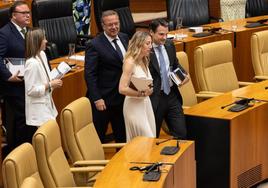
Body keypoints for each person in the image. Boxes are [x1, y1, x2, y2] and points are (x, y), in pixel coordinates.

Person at [85, 10, 128, 143]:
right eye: (110, 25)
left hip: (122, 97)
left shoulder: (125, 37)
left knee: (122, 135)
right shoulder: (94, 45)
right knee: (99, 137)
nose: (114, 27)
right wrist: (97, 98)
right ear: (103, 26)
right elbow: (89, 74)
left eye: (116, 23)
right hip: (104, 100)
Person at [149, 19, 189, 139]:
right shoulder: (145, 50)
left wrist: (184, 75)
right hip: (155, 98)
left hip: (172, 95)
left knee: (181, 134)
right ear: (151, 32)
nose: (164, 37)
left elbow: (175, 65)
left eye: (166, 34)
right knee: (153, 138)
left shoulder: (169, 45)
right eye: (161, 34)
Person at [0, 1, 30, 152]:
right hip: (14, 85)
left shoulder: (27, 30)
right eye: (24, 13)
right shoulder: (4, 33)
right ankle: (19, 154)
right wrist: (7, 76)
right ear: (13, 15)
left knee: (28, 119)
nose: (28, 16)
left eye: (28, 13)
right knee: (21, 120)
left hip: (28, 82)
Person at [119, 31, 155, 142]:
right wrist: (140, 94)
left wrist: (150, 89)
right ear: (139, 44)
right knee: (146, 140)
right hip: (133, 107)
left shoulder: (144, 59)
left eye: (151, 43)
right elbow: (122, 88)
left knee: (151, 138)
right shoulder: (130, 62)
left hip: (145, 103)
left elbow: (148, 82)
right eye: (147, 43)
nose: (151, 46)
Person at [24, 28, 62, 132]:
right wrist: (50, 84)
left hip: (48, 105)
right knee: (48, 142)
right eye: (44, 38)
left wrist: (56, 77)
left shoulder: (42, 55)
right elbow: (31, 90)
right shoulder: (31, 64)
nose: (46, 41)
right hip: (39, 111)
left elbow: (45, 77)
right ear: (37, 41)